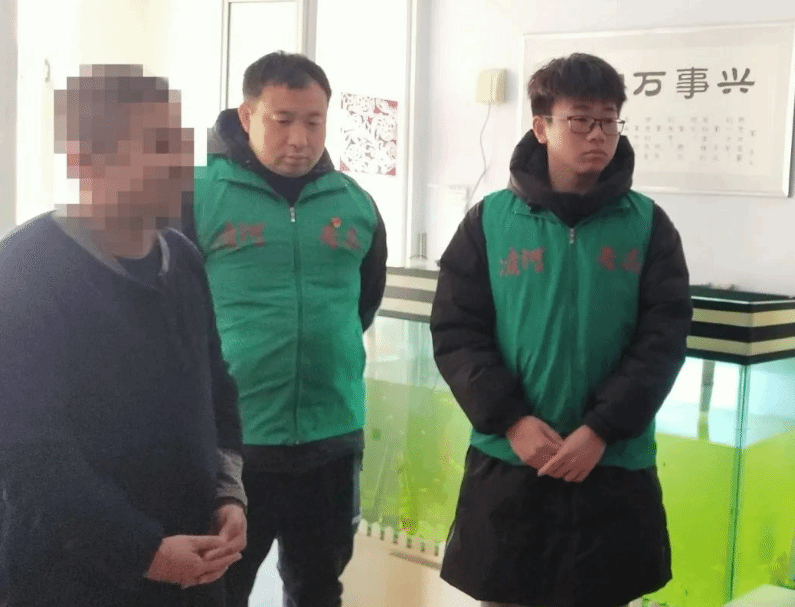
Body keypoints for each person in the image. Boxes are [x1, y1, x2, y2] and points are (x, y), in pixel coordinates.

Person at [429, 53, 693, 607]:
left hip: (611, 464)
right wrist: (511, 421)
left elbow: (663, 341)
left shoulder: (648, 225)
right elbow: (457, 333)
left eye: (609, 120)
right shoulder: (489, 221)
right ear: (541, 126)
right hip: (512, 461)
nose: (598, 134)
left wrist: (600, 429)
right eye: (580, 119)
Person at [0, 64, 248, 607]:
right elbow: (29, 455)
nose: (183, 163)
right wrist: (144, 552)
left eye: (181, 142)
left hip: (194, 570)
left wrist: (229, 496)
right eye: (159, 146)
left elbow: (217, 387)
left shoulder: (182, 258)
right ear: (84, 161)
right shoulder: (23, 271)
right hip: (74, 579)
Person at [185, 52, 387, 607]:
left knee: (318, 590)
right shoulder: (195, 195)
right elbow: (165, 314)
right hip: (232, 443)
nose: (300, 138)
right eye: (283, 120)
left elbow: (362, 305)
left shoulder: (355, 204)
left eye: (314, 121)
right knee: (217, 590)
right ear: (246, 116)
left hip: (331, 438)